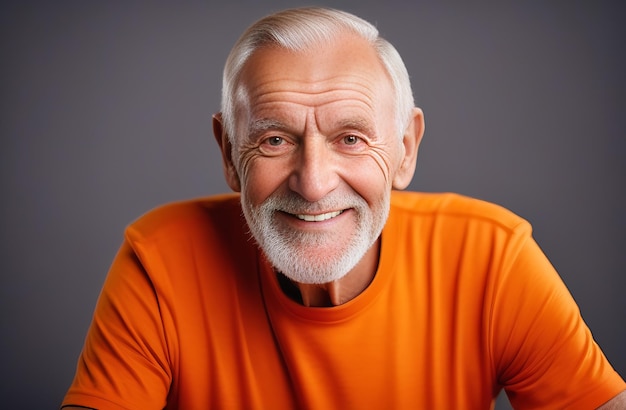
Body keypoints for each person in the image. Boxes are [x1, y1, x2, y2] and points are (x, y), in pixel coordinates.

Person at [62, 7, 625, 409]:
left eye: (351, 138)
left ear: (405, 150)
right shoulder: (161, 260)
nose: (312, 183)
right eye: (275, 140)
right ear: (230, 155)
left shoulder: (492, 258)